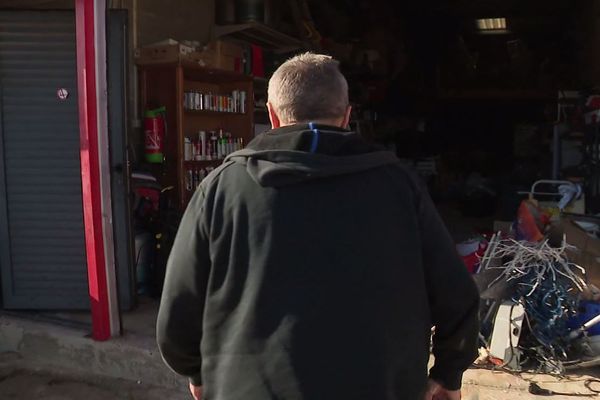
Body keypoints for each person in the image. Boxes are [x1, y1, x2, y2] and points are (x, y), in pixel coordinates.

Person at [157, 53, 479, 400]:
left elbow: (179, 307)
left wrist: (196, 369)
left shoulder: (221, 188)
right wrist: (448, 373)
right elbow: (457, 295)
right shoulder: (400, 187)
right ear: (347, 116)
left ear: (272, 115)